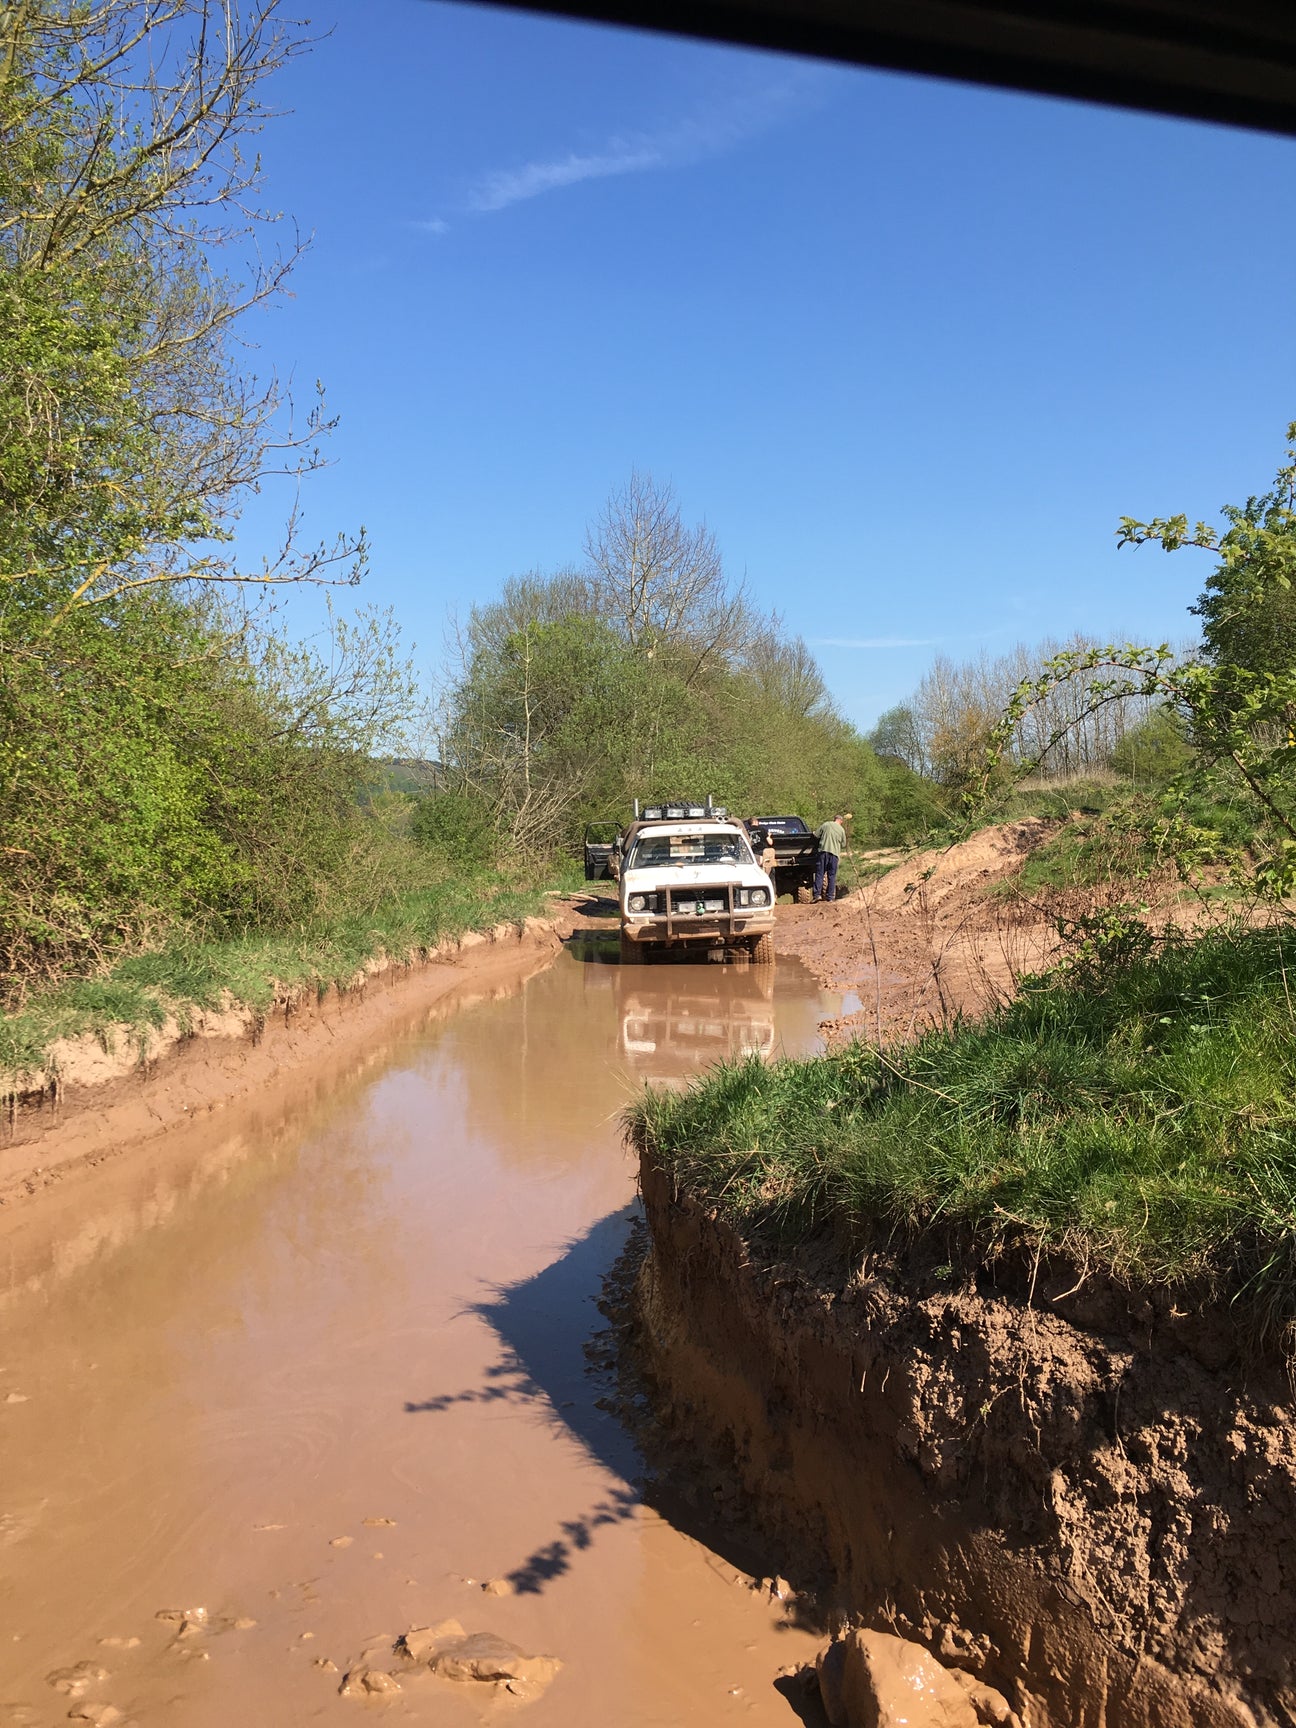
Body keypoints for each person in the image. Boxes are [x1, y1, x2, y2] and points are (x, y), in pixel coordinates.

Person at [814, 814, 847, 902]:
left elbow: (816, 835)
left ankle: (817, 895)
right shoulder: (842, 830)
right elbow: (844, 844)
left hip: (823, 852)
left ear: (834, 819)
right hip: (835, 855)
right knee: (831, 876)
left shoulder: (826, 824)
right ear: (841, 821)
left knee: (820, 873)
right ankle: (830, 897)